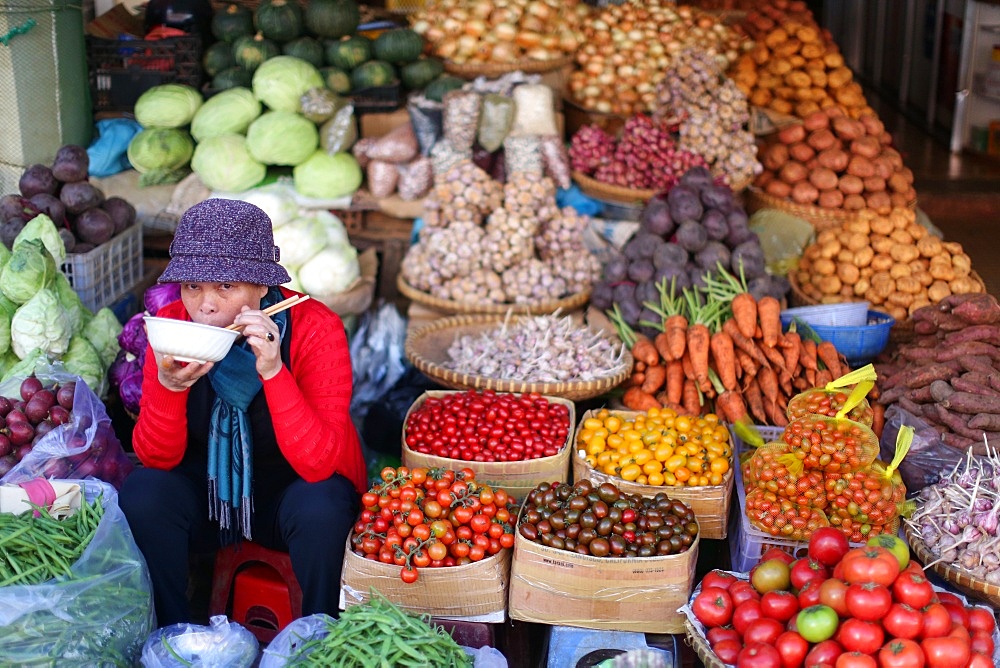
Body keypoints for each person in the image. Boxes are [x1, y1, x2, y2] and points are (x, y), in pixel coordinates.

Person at [119, 198, 365, 626]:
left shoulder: (315, 327)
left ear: (261, 286)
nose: (205, 305)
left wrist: (273, 371)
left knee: (323, 506)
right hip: (209, 497)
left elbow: (319, 462)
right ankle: (176, 638)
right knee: (144, 491)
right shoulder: (172, 324)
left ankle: (321, 637)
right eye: (193, 286)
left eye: (225, 287)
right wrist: (169, 386)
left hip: (287, 497)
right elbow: (157, 457)